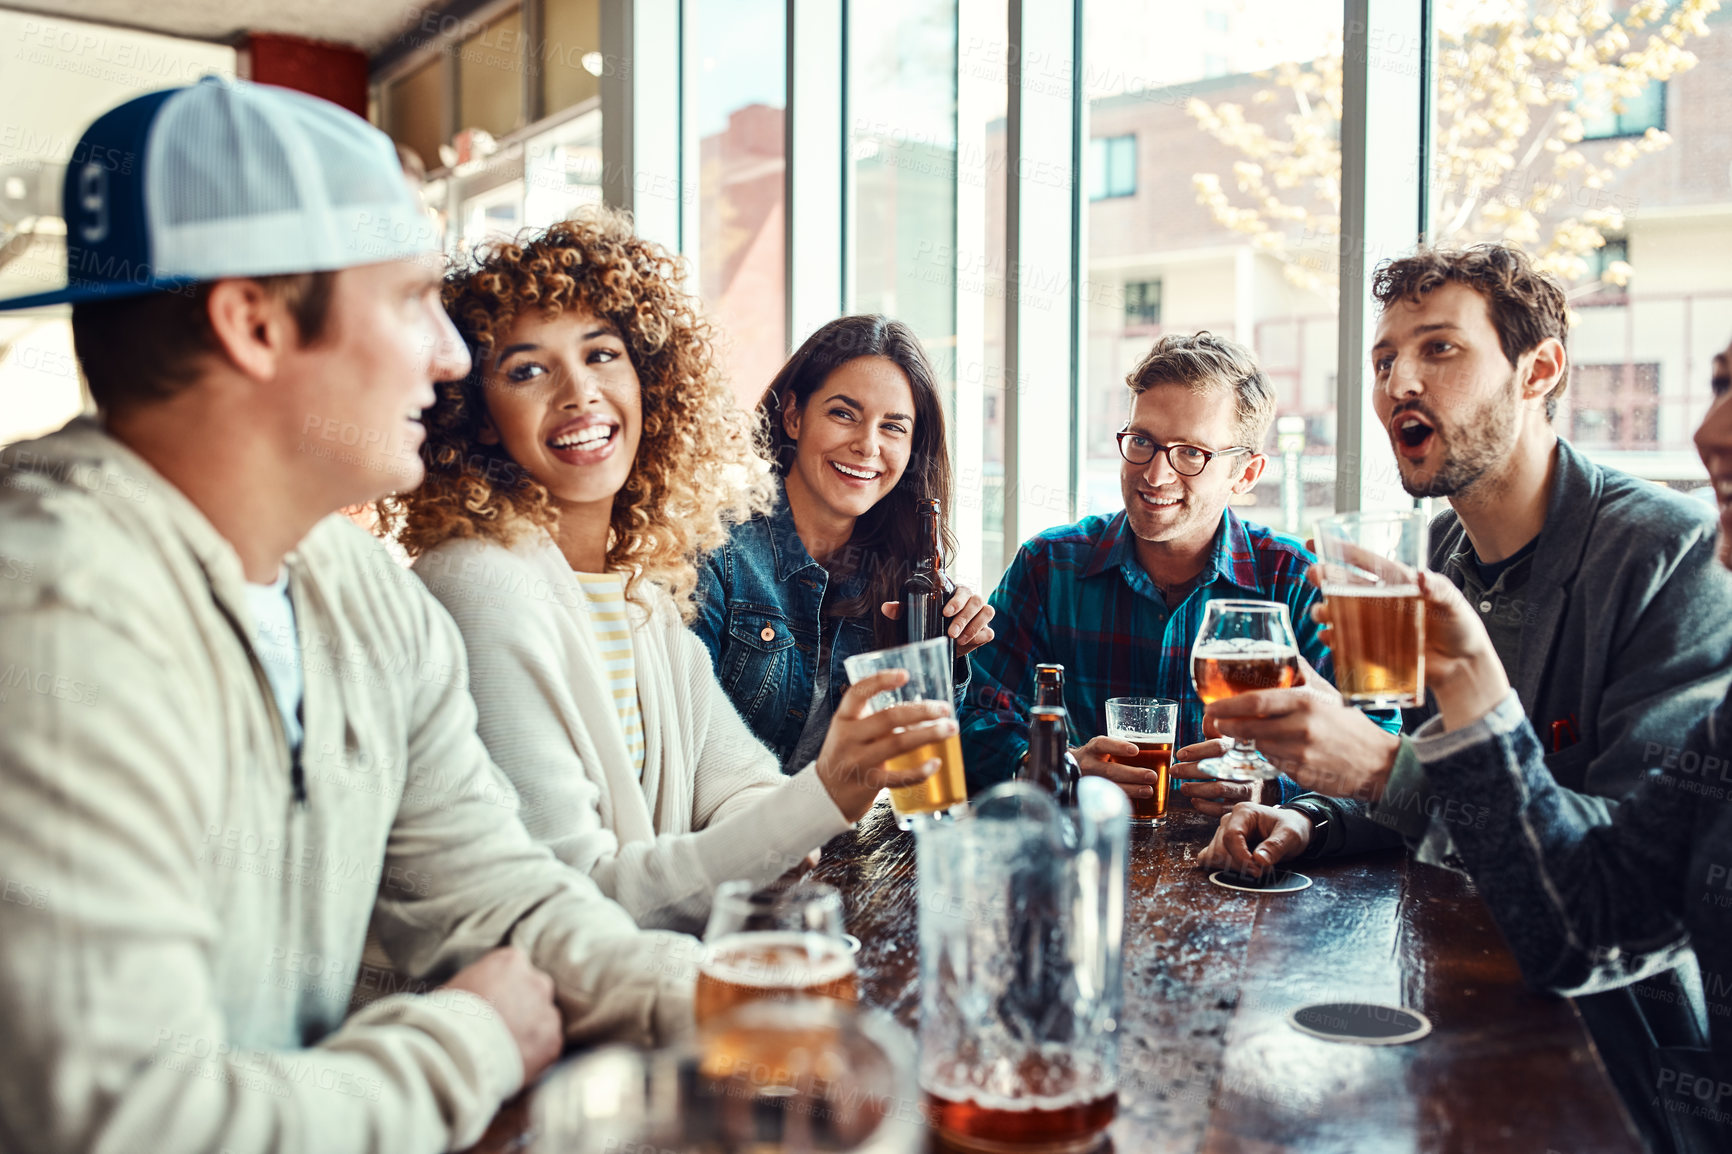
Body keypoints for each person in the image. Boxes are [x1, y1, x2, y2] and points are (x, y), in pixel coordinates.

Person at [0, 79, 697, 1154]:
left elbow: (495, 893)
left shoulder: (359, 589)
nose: (452, 355)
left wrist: (720, 992)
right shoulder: (52, 615)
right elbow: (132, 1122)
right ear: (255, 322)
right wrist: (468, 1040)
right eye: (411, 298)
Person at [1200, 244, 1732, 1149]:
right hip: (1454, 991)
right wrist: (1320, 817)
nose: (1399, 380)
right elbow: (1437, 778)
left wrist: (1375, 769)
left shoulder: (1669, 553)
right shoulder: (1440, 556)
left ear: (1541, 370)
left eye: (1440, 349)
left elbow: (1614, 878)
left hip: (1615, 1057)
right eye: (1383, 360)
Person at [382, 221, 955, 933]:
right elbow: (581, 904)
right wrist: (816, 802)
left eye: (603, 356)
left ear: (649, 381)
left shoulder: (639, 590)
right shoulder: (480, 585)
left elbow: (742, 785)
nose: (579, 394)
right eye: (528, 369)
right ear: (481, 414)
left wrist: (777, 822)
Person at [959, 331, 1363, 802]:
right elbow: (975, 718)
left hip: (1248, 863)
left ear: (1246, 473)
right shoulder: (1049, 566)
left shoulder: (1294, 580)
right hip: (1082, 852)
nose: (1155, 475)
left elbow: (1375, 747)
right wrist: (1054, 767)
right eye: (1142, 441)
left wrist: (1272, 785)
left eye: (1192, 453)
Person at [691, 315, 995, 774]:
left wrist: (942, 660)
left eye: (893, 427)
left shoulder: (907, 578)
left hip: (847, 844)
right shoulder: (713, 553)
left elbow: (910, 773)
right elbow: (684, 754)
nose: (867, 445)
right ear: (793, 416)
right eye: (843, 414)